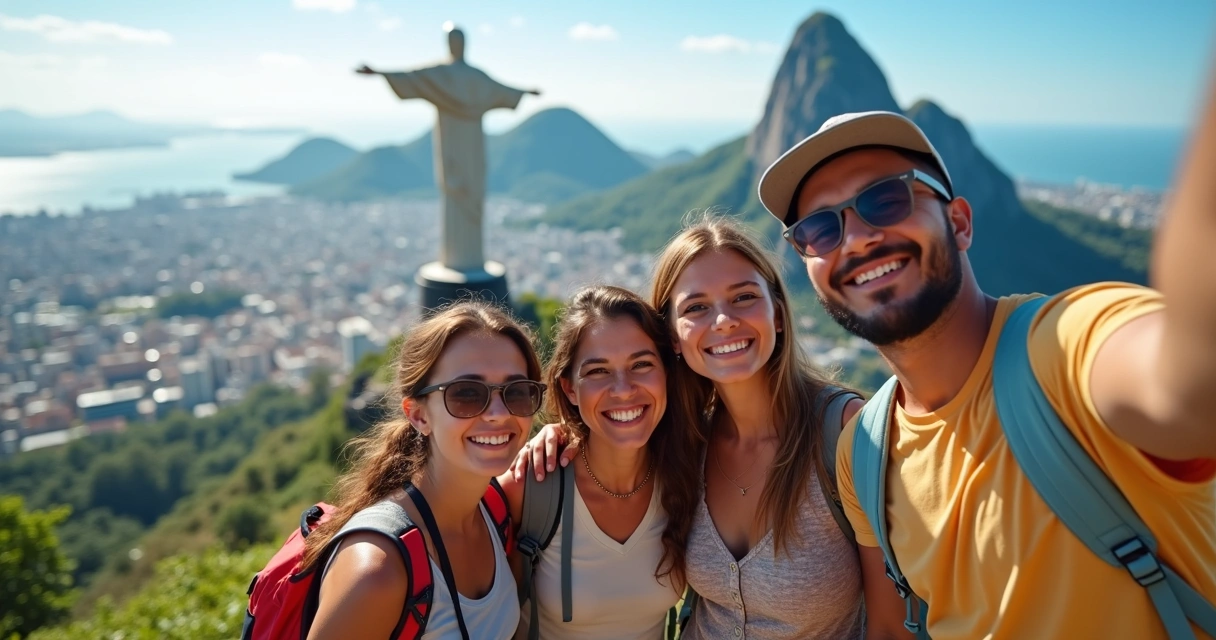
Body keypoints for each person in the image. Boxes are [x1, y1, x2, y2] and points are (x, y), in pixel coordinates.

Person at [757, 74, 1216, 639]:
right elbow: (892, 629)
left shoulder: (1064, 347)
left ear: (959, 222)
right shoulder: (865, 453)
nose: (855, 239)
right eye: (819, 230)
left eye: (886, 199)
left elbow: (1186, 381)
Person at [515, 216, 908, 639]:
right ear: (674, 337)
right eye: (696, 307)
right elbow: (616, 419)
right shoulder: (686, 442)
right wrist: (563, 433)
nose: (723, 321)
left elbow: (892, 626)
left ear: (777, 313)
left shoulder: (846, 435)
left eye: (743, 297)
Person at [303, 301, 545, 639]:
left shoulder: (496, 512)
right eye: (466, 394)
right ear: (418, 415)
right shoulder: (377, 569)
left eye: (517, 393)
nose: (498, 413)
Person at [496, 285, 700, 639]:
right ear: (570, 389)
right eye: (598, 371)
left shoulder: (690, 474)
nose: (623, 389)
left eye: (641, 364)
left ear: (667, 372)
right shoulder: (530, 487)